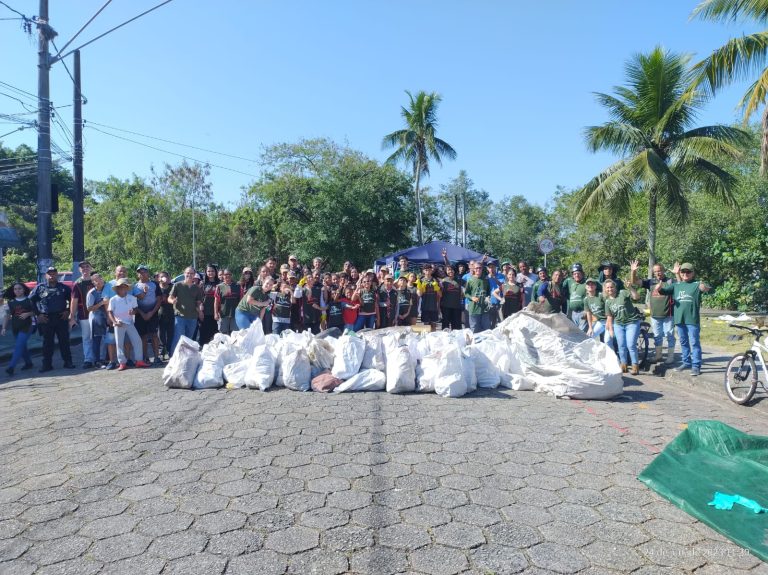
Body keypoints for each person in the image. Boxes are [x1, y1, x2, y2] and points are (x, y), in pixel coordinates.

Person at [655, 262, 711, 376]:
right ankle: (686, 362)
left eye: (688, 272)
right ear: (680, 273)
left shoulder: (696, 284)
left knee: (694, 342)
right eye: (683, 271)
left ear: (693, 273)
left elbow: (708, 289)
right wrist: (659, 288)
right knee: (683, 342)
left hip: (692, 320)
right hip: (679, 319)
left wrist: (705, 288)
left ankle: (696, 366)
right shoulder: (677, 285)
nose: (685, 274)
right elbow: (664, 291)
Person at [30, 266, 74, 372]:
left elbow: (73, 301)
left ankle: (68, 362)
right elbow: (31, 301)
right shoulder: (40, 288)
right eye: (49, 273)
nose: (51, 275)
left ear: (57, 275)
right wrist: (38, 314)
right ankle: (47, 365)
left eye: (54, 273)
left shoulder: (64, 288)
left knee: (64, 341)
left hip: (61, 318)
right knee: (47, 343)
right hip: (46, 319)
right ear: (46, 275)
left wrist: (68, 311)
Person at [631, 261, 676, 365]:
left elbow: (681, 283)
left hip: (668, 314)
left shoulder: (670, 281)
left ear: (663, 270)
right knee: (657, 336)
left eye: (659, 270)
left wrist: (677, 274)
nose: (658, 273)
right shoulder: (651, 282)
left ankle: (670, 357)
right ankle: (658, 355)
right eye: (655, 271)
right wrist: (633, 271)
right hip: (655, 315)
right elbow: (635, 282)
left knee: (670, 335)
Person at [605, 271, 643, 375]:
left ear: (615, 287)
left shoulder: (622, 293)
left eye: (611, 287)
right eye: (607, 288)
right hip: (618, 324)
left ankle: (635, 366)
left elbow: (636, 297)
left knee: (630, 345)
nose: (610, 289)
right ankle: (624, 365)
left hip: (632, 322)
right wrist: (611, 330)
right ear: (605, 289)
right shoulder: (608, 302)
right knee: (621, 345)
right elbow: (609, 317)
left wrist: (630, 288)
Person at [107, 278, 150, 371]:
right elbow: (110, 312)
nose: (122, 288)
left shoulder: (132, 298)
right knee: (119, 343)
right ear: (117, 288)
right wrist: (114, 322)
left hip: (130, 323)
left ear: (127, 288)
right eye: (120, 287)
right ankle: (122, 363)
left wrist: (133, 312)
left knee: (137, 340)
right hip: (119, 323)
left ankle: (139, 361)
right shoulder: (113, 299)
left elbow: (135, 310)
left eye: (124, 287)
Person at [168, 267, 204, 355]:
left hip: (192, 317)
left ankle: (185, 358)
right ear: (184, 273)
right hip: (180, 317)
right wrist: (172, 301)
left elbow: (199, 302)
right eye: (188, 273)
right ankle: (173, 357)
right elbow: (169, 298)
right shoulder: (177, 285)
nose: (189, 275)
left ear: (194, 275)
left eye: (192, 273)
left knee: (189, 340)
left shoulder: (197, 288)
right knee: (178, 339)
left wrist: (200, 311)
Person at [2, 282, 35, 376]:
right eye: (15, 289)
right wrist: (4, 328)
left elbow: (37, 312)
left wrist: (28, 314)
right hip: (15, 327)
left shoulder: (29, 300)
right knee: (22, 346)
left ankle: (11, 367)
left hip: (28, 326)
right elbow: (7, 316)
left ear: (24, 289)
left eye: (19, 288)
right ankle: (29, 363)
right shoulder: (11, 302)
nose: (17, 290)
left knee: (18, 346)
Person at [132, 265, 163, 365]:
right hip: (140, 315)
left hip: (153, 313)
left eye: (144, 271)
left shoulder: (154, 284)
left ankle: (157, 357)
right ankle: (145, 357)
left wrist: (151, 312)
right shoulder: (134, 286)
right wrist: (142, 313)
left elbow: (159, 300)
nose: (142, 274)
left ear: (148, 273)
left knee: (154, 335)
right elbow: (133, 303)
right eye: (140, 272)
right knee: (143, 337)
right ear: (137, 274)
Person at [69, 260, 95, 368]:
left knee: (100, 336)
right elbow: (73, 301)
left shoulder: (96, 280)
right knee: (86, 337)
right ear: (80, 270)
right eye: (82, 267)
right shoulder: (77, 284)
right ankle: (88, 359)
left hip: (98, 314)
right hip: (84, 314)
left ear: (91, 268)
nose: (85, 269)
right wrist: (72, 317)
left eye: (87, 267)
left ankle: (101, 357)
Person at [86, 273, 114, 369]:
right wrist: (101, 303)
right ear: (93, 282)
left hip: (107, 317)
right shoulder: (91, 293)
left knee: (107, 339)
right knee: (96, 339)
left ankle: (106, 359)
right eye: (96, 280)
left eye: (100, 279)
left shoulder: (108, 289)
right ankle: (97, 360)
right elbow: (89, 308)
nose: (99, 281)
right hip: (96, 317)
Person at [465, 262, 491, 333]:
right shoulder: (470, 280)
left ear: (482, 269)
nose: (478, 269)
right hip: (474, 309)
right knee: (475, 330)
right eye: (476, 268)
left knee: (486, 330)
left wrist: (488, 297)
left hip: (484, 309)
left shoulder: (486, 280)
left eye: (480, 268)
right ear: (473, 269)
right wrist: (472, 298)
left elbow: (488, 292)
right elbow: (466, 293)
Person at [214, 269, 241, 335]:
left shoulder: (238, 286)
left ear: (231, 275)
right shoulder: (219, 287)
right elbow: (216, 301)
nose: (227, 276)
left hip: (235, 314)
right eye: (226, 274)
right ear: (222, 276)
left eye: (229, 274)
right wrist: (215, 313)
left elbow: (241, 300)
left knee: (234, 334)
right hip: (223, 314)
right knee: (223, 334)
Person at [563, 263, 588, 331]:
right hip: (573, 313)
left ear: (582, 274)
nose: (576, 275)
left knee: (582, 333)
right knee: (575, 333)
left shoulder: (587, 283)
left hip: (583, 312)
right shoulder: (571, 283)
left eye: (578, 273)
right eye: (574, 274)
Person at [199, 264, 220, 345]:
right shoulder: (202, 283)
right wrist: (200, 311)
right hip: (205, 312)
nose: (210, 273)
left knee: (216, 334)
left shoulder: (219, 283)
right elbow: (199, 298)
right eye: (208, 271)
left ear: (215, 272)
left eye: (212, 271)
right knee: (204, 333)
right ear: (206, 272)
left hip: (216, 312)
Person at [583, 278, 609, 345]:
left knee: (607, 340)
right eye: (588, 284)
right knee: (589, 337)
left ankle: (612, 354)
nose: (590, 286)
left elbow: (609, 307)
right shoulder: (586, 299)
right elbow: (588, 314)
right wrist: (590, 327)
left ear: (595, 286)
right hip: (600, 321)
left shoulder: (601, 295)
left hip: (608, 321)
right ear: (586, 287)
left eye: (592, 284)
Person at [416, 264, 441, 331]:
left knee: (434, 325)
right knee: (426, 326)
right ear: (423, 271)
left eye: (429, 270)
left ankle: (433, 338)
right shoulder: (420, 280)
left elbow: (440, 295)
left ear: (431, 270)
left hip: (434, 306)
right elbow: (419, 294)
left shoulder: (436, 280)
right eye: (426, 270)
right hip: (424, 306)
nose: (428, 271)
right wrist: (421, 288)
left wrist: (437, 288)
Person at [157, 271, 175, 360]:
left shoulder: (172, 287)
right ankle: (161, 352)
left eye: (165, 277)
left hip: (171, 313)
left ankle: (169, 350)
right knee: (161, 334)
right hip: (160, 314)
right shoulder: (157, 287)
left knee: (171, 333)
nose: (163, 278)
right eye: (161, 277)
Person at [440, 265, 463, 330]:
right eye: (448, 270)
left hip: (457, 306)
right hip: (445, 306)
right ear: (446, 271)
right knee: (445, 326)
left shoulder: (459, 279)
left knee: (457, 327)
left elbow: (467, 287)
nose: (450, 271)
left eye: (452, 269)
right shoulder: (443, 281)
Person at [486, 261, 505, 329]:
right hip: (491, 302)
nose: (491, 269)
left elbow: (502, 286)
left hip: (500, 302)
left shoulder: (501, 276)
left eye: (492, 267)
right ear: (487, 269)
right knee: (491, 323)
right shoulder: (486, 278)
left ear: (495, 267)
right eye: (489, 267)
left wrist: (494, 278)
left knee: (502, 322)